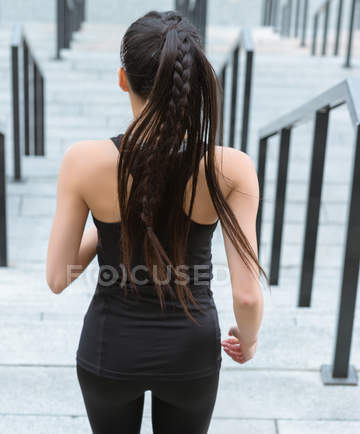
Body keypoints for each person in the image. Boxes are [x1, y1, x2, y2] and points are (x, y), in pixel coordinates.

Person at [46, 10, 264, 434]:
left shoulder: (84, 162)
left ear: (123, 79)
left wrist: (111, 226)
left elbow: (59, 276)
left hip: (109, 351)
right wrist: (249, 340)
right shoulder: (232, 168)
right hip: (192, 354)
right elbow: (249, 298)